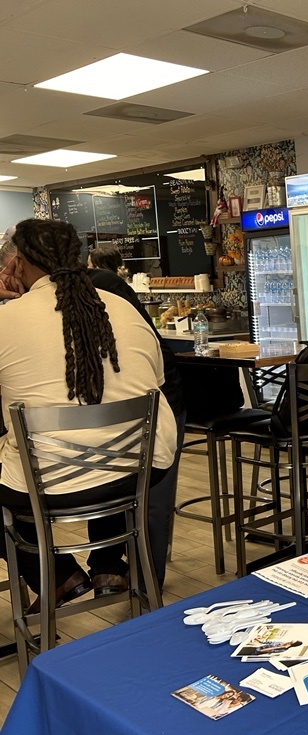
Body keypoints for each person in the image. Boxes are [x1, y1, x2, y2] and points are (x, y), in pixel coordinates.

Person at [0, 219, 178, 611]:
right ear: (80, 258)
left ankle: (57, 576)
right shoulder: (122, 308)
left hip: (52, 485)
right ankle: (109, 568)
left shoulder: (7, 319)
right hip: (140, 473)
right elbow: (158, 379)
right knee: (104, 449)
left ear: (16, 264)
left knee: (27, 478)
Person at [87, 244, 185, 588]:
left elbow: (150, 355)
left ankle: (144, 577)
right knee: (121, 487)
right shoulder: (94, 286)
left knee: (148, 495)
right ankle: (113, 568)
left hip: (152, 399)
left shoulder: (101, 286)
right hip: (128, 400)